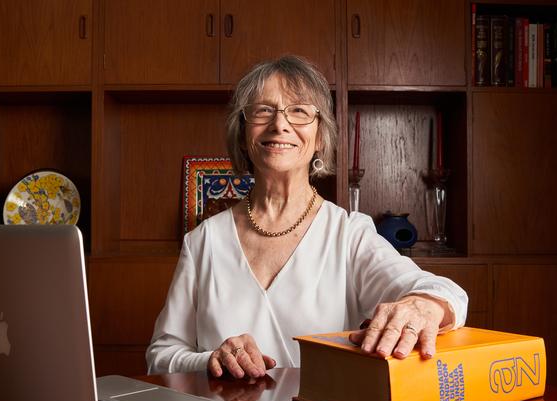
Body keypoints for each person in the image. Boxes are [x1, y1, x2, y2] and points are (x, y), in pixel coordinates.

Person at [146, 55, 468, 379]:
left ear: (320, 137)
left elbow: (444, 293)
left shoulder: (349, 234)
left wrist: (420, 305)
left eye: (299, 111)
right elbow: (161, 356)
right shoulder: (203, 241)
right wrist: (211, 360)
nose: (279, 124)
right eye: (263, 110)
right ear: (244, 134)